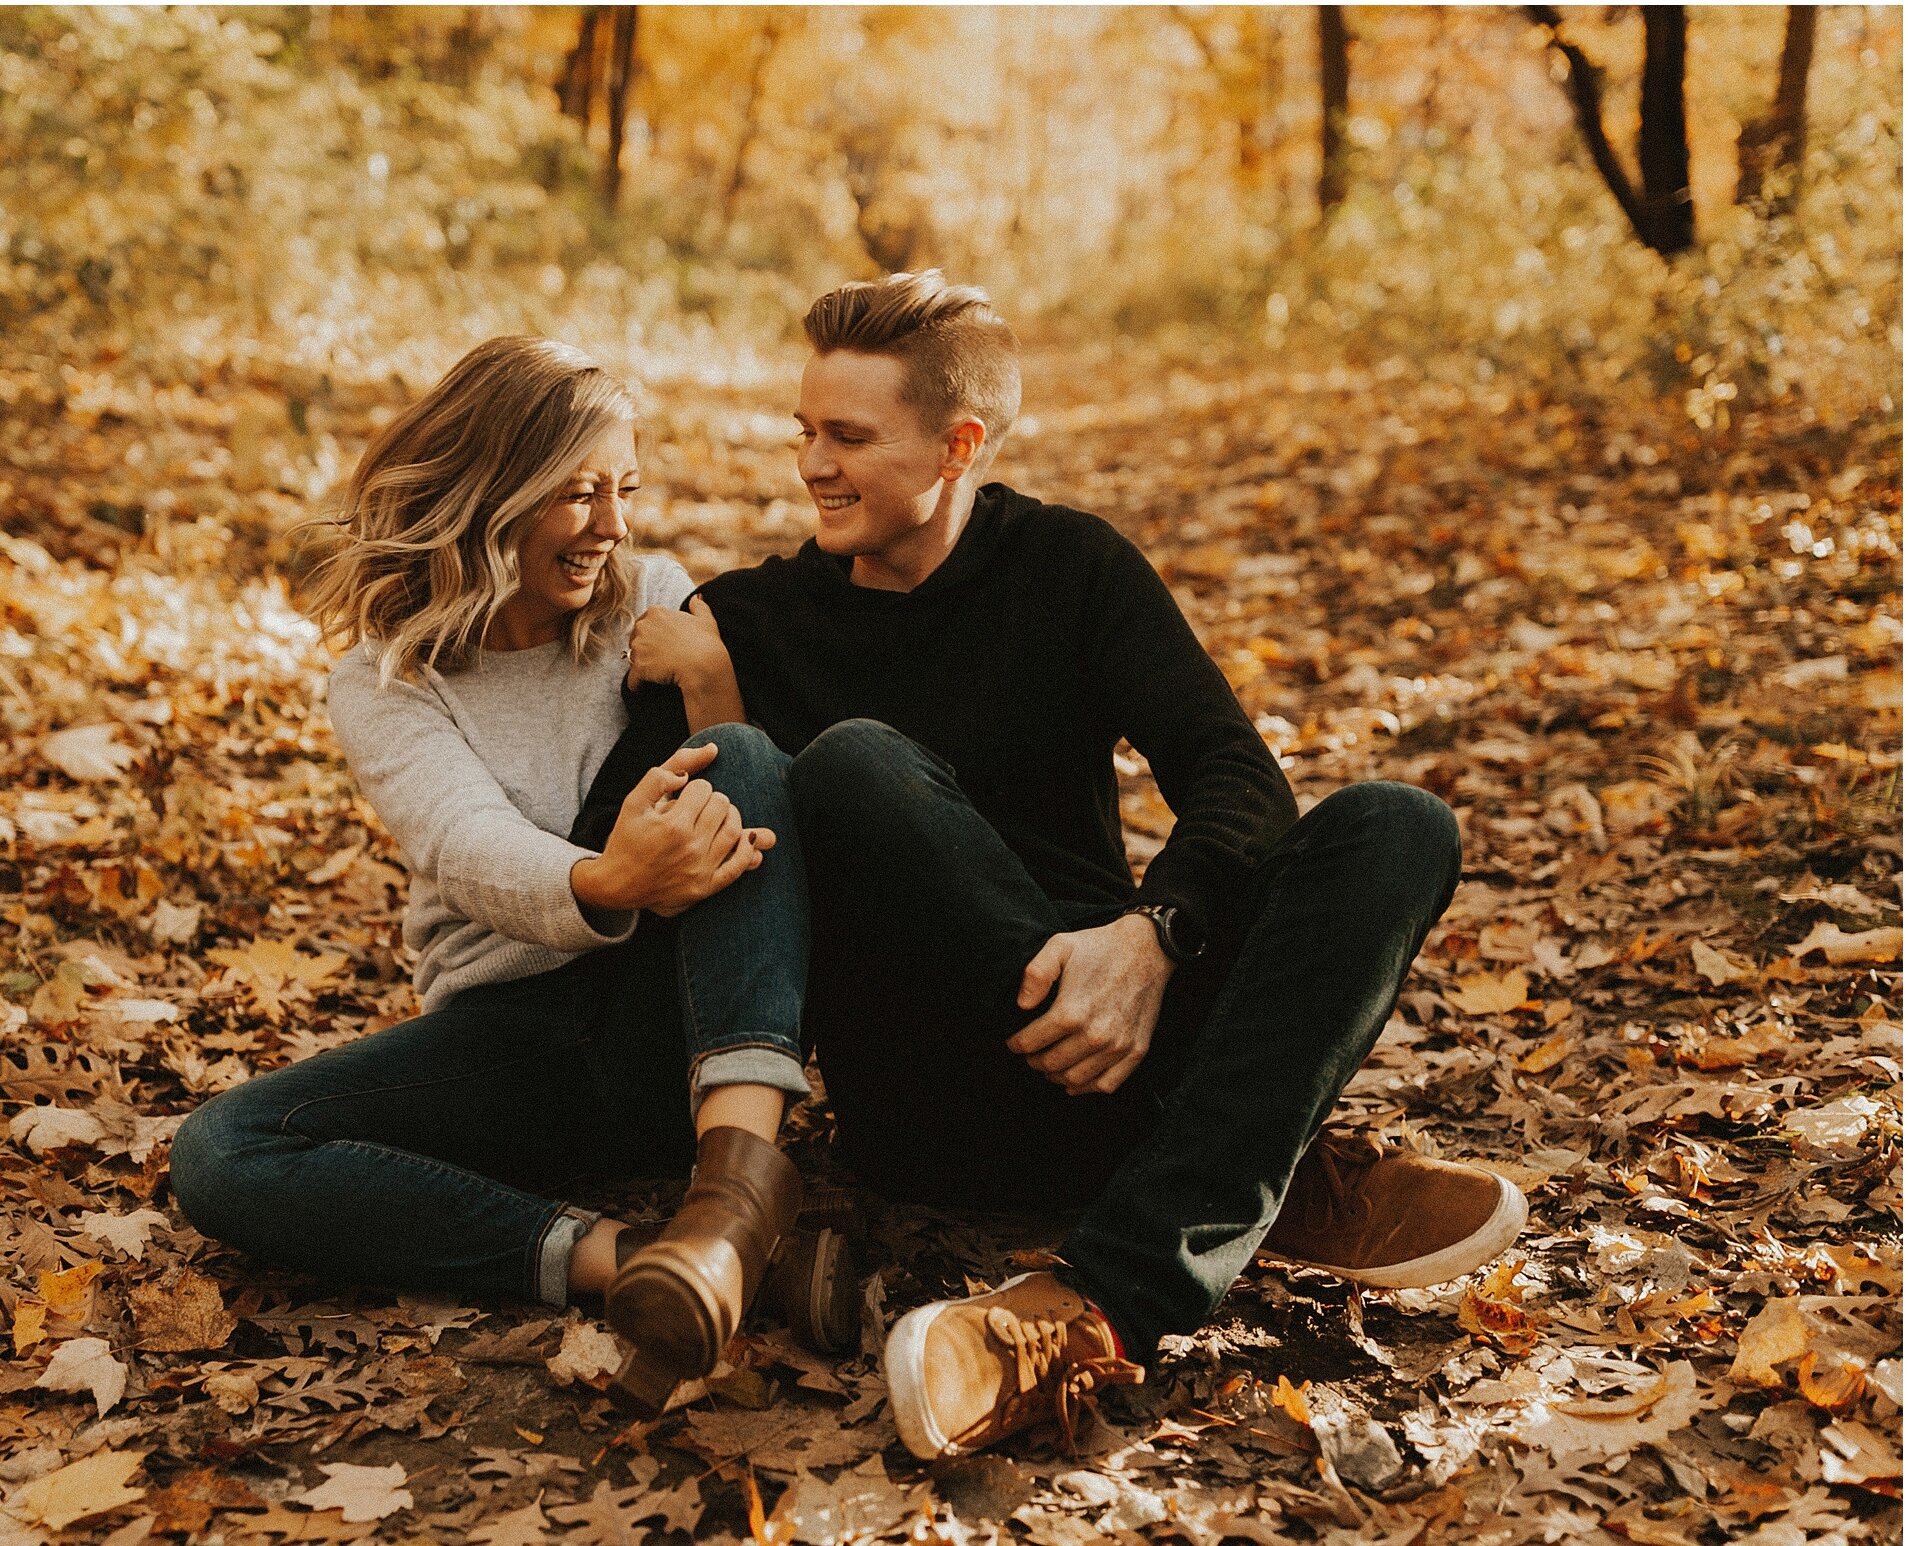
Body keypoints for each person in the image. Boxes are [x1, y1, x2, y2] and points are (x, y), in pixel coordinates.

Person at [623, 273, 1525, 1460]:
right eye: (805, 431)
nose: (811, 465)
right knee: (851, 766)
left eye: (848, 436)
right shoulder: (742, 623)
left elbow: (1235, 778)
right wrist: (714, 692)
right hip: (943, 1085)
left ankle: (1102, 1299)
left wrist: (1153, 935)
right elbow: (668, 868)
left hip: (1128, 1027)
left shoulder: (1069, 566)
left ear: (960, 444)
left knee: (1399, 823)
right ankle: (1249, 1171)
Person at [167, 337, 856, 1409]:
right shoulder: (385, 675)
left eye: (624, 490)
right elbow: (461, 840)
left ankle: (730, 1200)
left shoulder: (653, 599)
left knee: (746, 757)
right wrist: (609, 879)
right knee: (222, 1148)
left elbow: (752, 826)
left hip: (671, 1023)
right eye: (578, 495)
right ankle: (649, 1265)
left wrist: (716, 680)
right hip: (512, 1040)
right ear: (496, 490)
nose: (612, 527)